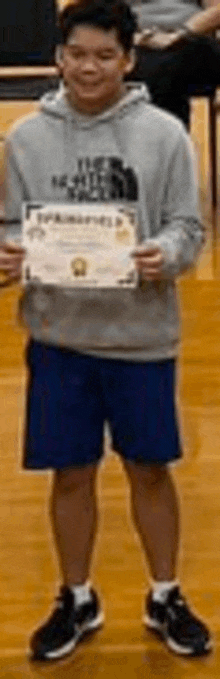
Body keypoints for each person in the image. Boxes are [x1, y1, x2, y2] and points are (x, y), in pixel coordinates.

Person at [2, 0, 212, 662]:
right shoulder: (26, 139)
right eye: (76, 54)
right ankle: (77, 596)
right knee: (70, 474)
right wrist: (8, 256)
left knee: (151, 468)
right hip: (59, 337)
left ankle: (165, 592)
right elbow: (11, 224)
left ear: (128, 59)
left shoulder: (164, 135)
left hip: (142, 338)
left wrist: (167, 255)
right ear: (59, 56)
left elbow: (189, 226)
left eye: (103, 56)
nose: (88, 68)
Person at [128, 0, 220, 127]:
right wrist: (132, 38)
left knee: (161, 69)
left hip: (192, 38)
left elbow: (217, 9)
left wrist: (180, 34)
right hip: (135, 42)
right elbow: (102, 12)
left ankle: (167, 140)